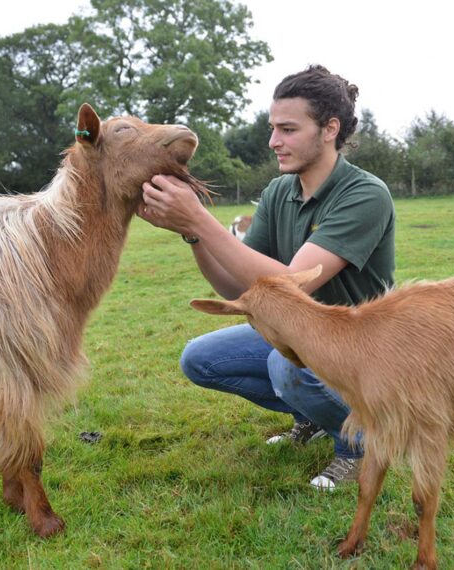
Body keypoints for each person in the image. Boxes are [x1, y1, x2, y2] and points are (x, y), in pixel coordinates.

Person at [137, 65, 395, 489]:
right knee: (200, 360)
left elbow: (295, 283)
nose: (274, 141)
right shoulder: (281, 191)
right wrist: (191, 234)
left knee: (285, 365)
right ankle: (313, 416)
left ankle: (361, 445)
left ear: (329, 129)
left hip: (362, 348)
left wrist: (201, 219)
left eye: (288, 129)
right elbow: (240, 288)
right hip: (304, 336)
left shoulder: (365, 194)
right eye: (273, 128)